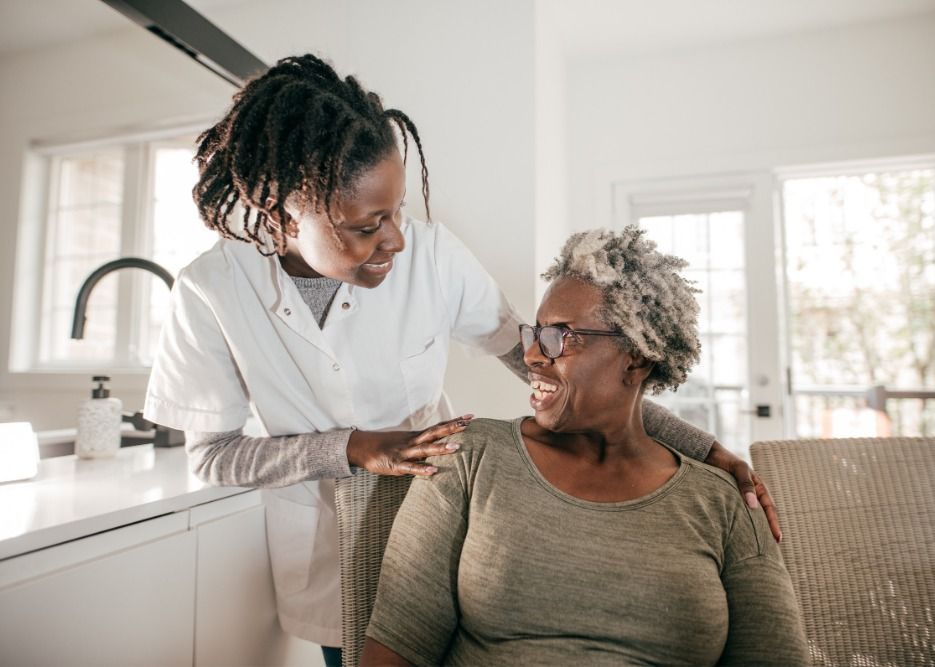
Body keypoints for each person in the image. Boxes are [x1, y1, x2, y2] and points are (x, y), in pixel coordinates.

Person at [143, 54, 778, 666]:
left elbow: (553, 368)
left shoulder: (433, 258)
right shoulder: (211, 292)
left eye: (398, 213)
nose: (395, 239)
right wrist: (352, 447)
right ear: (286, 212)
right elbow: (213, 454)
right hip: (325, 551)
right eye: (367, 225)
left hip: (449, 533)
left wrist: (702, 449)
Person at [361, 226, 808, 666]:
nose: (533, 355)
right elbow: (396, 650)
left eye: (559, 337)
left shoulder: (723, 501)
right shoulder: (468, 457)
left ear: (635, 357)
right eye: (533, 334)